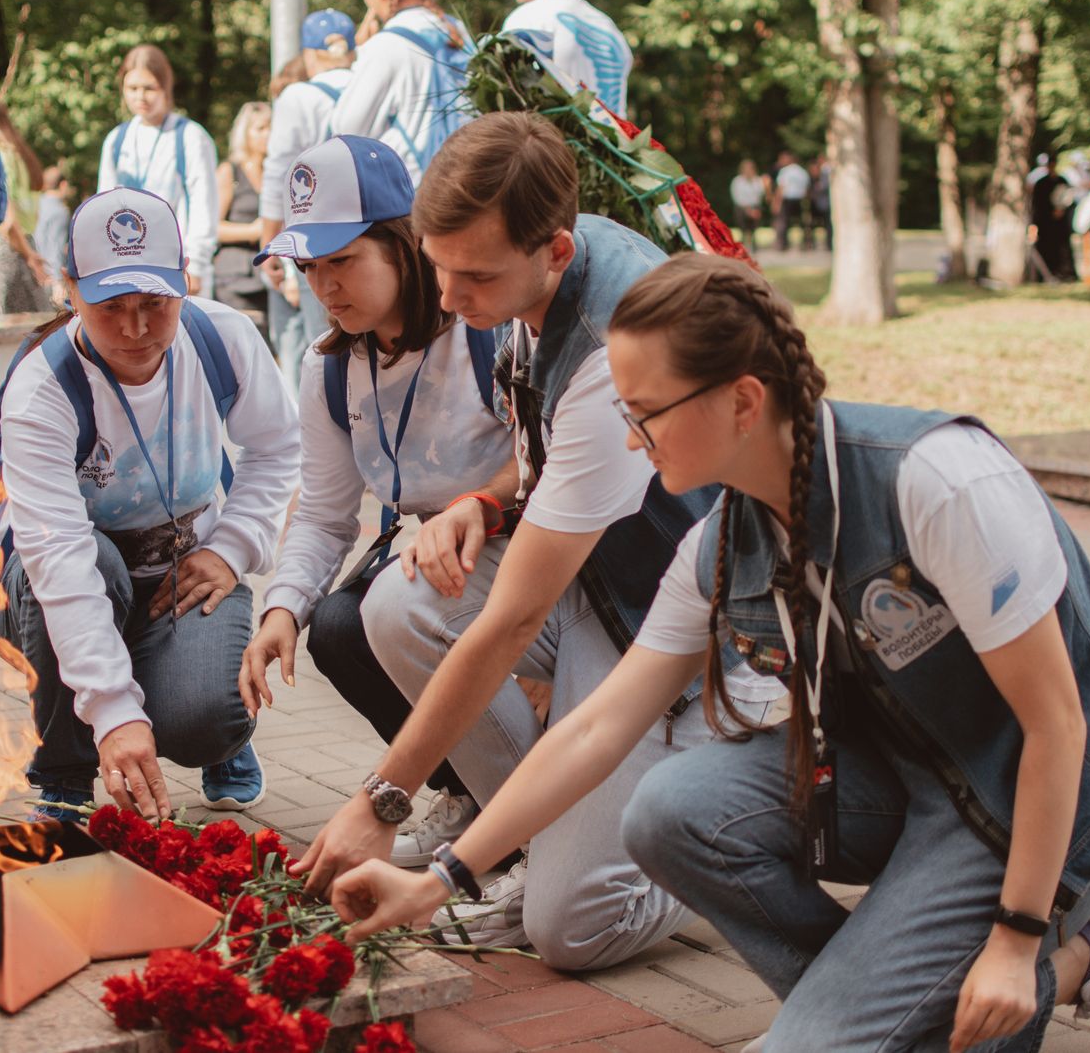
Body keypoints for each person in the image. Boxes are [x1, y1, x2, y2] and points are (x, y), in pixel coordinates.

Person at [334, 253, 1090, 1053]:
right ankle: (883, 1004)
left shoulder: (936, 481)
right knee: (669, 810)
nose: (633, 439)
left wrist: (1017, 937)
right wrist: (443, 876)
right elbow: (597, 728)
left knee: (843, 1031)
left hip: (1039, 787)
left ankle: (1087, 947)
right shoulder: (723, 539)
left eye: (645, 413)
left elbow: (1060, 724)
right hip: (910, 777)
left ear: (743, 401)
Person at [289, 112, 779, 969]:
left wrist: (383, 797)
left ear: (554, 251)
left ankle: (715, 833)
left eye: (470, 277)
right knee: (400, 602)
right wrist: (485, 498)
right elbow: (550, 454)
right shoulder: (537, 261)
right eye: (438, 268)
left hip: (686, 636)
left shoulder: (609, 349)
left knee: (573, 931)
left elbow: (513, 620)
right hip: (606, 587)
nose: (445, 300)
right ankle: (527, 844)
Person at [0, 187, 299, 821]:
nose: (136, 328)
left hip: (186, 568)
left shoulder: (223, 338)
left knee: (203, 715)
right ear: (70, 289)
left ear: (185, 283)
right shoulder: (42, 386)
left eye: (155, 303)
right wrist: (115, 712)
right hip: (54, 582)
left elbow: (278, 449)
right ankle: (64, 767)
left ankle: (215, 734)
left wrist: (231, 550)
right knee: (93, 566)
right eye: (110, 306)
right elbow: (59, 560)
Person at [241, 135, 513, 869]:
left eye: (342, 260)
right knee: (334, 623)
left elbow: (557, 456)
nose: (324, 286)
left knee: (391, 606)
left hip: (528, 541)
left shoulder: (487, 330)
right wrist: (280, 608)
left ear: (405, 243)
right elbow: (327, 515)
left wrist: (483, 503)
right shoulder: (331, 367)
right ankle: (469, 791)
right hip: (444, 558)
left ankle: (523, 804)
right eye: (309, 267)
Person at [260, 9, 357, 368]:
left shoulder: (298, 96)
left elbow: (278, 171)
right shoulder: (368, 83)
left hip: (317, 235)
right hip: (374, 231)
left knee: (330, 344)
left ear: (309, 54)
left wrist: (269, 240)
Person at [98, 45, 218, 300]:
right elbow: (103, 207)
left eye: (149, 88)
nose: (140, 96)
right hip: (127, 268)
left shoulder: (190, 137)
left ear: (165, 87)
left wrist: (196, 264)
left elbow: (203, 205)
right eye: (132, 88)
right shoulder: (116, 139)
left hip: (177, 267)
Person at [328, 0, 473, 187]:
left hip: (415, 190)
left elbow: (345, 128)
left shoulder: (387, 44)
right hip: (467, 175)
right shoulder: (457, 30)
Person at [0, 88, 52, 316]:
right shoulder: (17, 153)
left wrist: (28, 256)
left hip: (4, 250)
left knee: (1, 337)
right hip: (24, 245)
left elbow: (6, 215)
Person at [501, 0, 634, 115]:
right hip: (614, 135)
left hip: (552, 135)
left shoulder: (527, 17)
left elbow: (510, 95)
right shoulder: (607, 25)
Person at [214, 101, 270, 333]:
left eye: (272, 128)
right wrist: (253, 231)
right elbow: (212, 228)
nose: (268, 135)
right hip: (235, 276)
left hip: (268, 278)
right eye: (260, 128)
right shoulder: (230, 171)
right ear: (245, 133)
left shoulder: (275, 173)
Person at [33, 164, 73, 306]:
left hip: (33, 273)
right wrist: (58, 282)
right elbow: (56, 246)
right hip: (50, 276)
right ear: (63, 185)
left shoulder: (36, 204)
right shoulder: (60, 211)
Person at [772, 150, 809, 253]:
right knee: (800, 224)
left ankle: (782, 245)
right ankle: (805, 244)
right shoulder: (803, 172)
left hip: (787, 199)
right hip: (799, 200)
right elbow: (806, 190)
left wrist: (777, 203)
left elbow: (781, 188)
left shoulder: (785, 171)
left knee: (783, 223)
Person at [729, 158, 767, 252]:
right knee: (742, 222)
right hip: (742, 208)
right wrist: (748, 210)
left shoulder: (758, 181)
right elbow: (737, 198)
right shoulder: (737, 181)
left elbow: (761, 196)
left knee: (755, 218)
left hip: (755, 207)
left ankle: (753, 242)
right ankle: (744, 241)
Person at [807, 153, 832, 251]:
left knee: (828, 224)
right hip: (821, 202)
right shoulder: (824, 171)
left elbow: (824, 186)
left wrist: (815, 189)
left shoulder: (826, 171)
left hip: (824, 202)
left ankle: (829, 244)